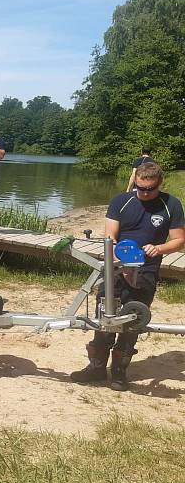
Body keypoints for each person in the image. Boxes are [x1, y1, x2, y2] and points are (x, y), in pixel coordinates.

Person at [71, 162, 184, 391]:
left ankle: (120, 373)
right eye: (140, 188)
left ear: (159, 184)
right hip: (116, 268)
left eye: (149, 189)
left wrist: (159, 249)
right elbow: (110, 236)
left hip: (147, 271)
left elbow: (179, 241)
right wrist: (117, 261)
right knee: (105, 316)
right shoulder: (121, 201)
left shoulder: (171, 204)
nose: (144, 193)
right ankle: (96, 367)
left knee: (132, 320)